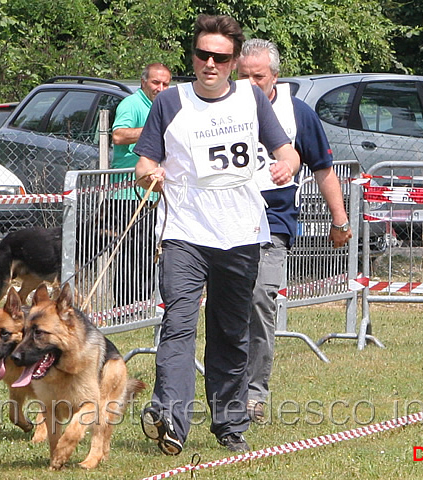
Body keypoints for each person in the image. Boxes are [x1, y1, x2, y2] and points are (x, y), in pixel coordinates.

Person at [133, 15, 300, 455]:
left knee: (229, 331)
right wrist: (151, 176)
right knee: (178, 323)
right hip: (183, 231)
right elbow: (144, 165)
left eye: (220, 57)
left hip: (240, 232)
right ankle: (170, 418)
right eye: (202, 55)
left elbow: (288, 151)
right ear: (193, 57)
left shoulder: (250, 99)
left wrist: (287, 165)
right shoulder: (170, 101)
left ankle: (229, 424)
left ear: (232, 62)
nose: (210, 64)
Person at [236, 39, 353, 424]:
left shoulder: (298, 114)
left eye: (259, 76)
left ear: (275, 75)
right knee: (227, 308)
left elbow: (323, 169)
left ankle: (255, 393)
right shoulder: (221, 109)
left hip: (273, 225)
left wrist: (340, 221)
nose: (251, 83)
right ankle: (225, 390)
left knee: (259, 298)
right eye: (244, 75)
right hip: (224, 223)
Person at [109, 63, 172, 310]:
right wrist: (152, 130)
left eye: (166, 84)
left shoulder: (163, 106)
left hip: (152, 192)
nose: (161, 88)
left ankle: (143, 304)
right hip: (126, 195)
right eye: (156, 83)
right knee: (128, 254)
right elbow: (119, 135)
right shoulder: (132, 105)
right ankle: (124, 306)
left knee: (148, 250)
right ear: (144, 82)